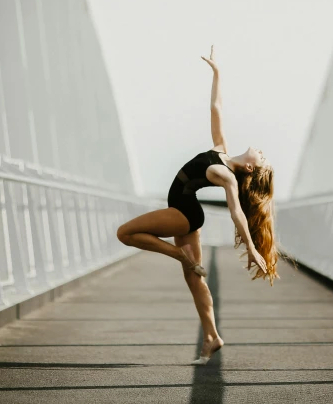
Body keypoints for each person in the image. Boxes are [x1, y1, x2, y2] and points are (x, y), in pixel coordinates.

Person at [116, 45, 279, 365]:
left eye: (260, 157)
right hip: (188, 214)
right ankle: (212, 336)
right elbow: (215, 108)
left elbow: (236, 212)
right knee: (195, 280)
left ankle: (179, 255)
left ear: (250, 168)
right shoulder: (221, 151)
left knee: (125, 233)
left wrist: (253, 248)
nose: (259, 151)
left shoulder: (227, 176)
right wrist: (217, 73)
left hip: (184, 214)